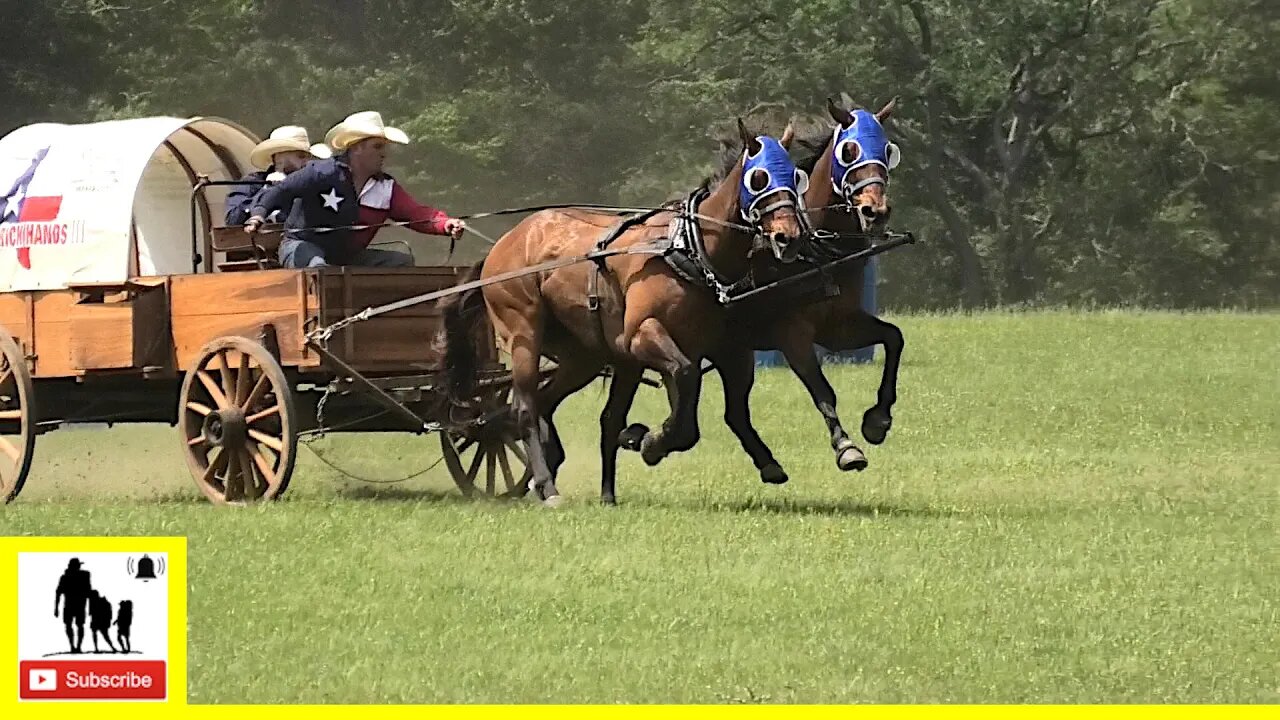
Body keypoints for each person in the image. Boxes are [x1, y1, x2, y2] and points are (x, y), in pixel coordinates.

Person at [243, 110, 466, 268]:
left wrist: (445, 224)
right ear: (357, 148)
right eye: (377, 146)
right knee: (319, 268)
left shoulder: (386, 188)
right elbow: (281, 191)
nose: (384, 154)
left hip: (347, 257)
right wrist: (257, 216)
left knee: (400, 262)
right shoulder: (322, 172)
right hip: (301, 245)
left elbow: (417, 214)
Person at [224, 125, 331, 226]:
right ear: (279, 158)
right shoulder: (254, 182)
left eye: (309, 157)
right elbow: (232, 220)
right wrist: (266, 191)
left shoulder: (315, 182)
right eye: (301, 156)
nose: (307, 162)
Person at [54, 558, 92, 654]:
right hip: (77, 604)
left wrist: (56, 607)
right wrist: (56, 607)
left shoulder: (68, 577)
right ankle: (75, 646)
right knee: (75, 625)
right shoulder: (83, 575)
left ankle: (75, 646)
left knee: (74, 625)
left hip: (74, 604)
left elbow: (58, 593)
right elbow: (58, 592)